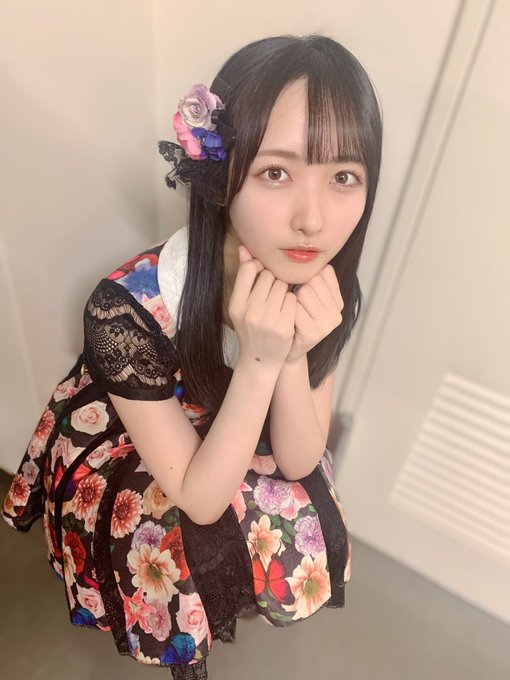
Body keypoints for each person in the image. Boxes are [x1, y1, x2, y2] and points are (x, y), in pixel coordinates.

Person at [2, 34, 382, 680]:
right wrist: (258, 363)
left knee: (287, 507)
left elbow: (299, 457)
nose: (313, 220)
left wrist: (291, 355)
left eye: (343, 177)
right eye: (276, 172)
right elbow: (200, 498)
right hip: (140, 436)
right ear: (221, 177)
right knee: (166, 544)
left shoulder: (326, 290)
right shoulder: (124, 308)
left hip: (239, 411)